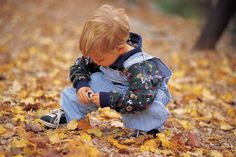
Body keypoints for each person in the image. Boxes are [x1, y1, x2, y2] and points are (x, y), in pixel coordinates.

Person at [40, 4, 172, 137]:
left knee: (151, 108)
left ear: (120, 49)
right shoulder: (103, 51)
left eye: (100, 59)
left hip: (144, 96)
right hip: (118, 89)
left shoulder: (139, 66)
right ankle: (67, 113)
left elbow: (141, 98)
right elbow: (80, 66)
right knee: (95, 79)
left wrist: (109, 99)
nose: (95, 61)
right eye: (92, 57)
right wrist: (82, 85)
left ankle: (148, 129)